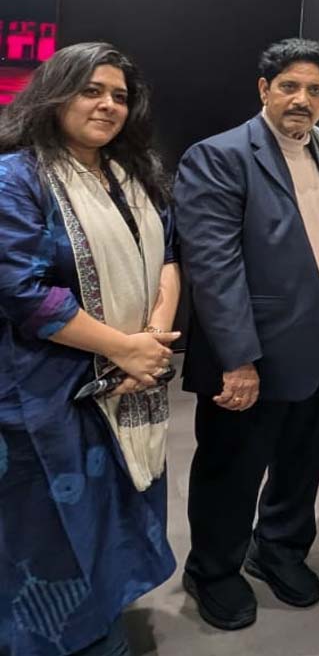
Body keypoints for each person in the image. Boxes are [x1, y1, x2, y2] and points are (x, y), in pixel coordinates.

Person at [0, 42, 180, 656]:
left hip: (130, 382)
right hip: (46, 391)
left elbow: (169, 253)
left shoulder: (133, 176)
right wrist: (124, 348)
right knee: (48, 527)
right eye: (91, 90)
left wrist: (151, 340)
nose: (108, 105)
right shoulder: (17, 177)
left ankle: (103, 619)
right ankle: (58, 639)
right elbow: (21, 291)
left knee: (114, 511)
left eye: (119, 97)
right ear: (55, 95)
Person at [174, 38, 319, 630]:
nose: (301, 99)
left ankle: (277, 548)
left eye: (314, 90)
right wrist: (238, 360)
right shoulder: (219, 156)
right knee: (232, 468)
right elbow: (213, 267)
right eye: (289, 86)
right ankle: (213, 571)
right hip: (253, 353)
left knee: (301, 461)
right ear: (264, 89)